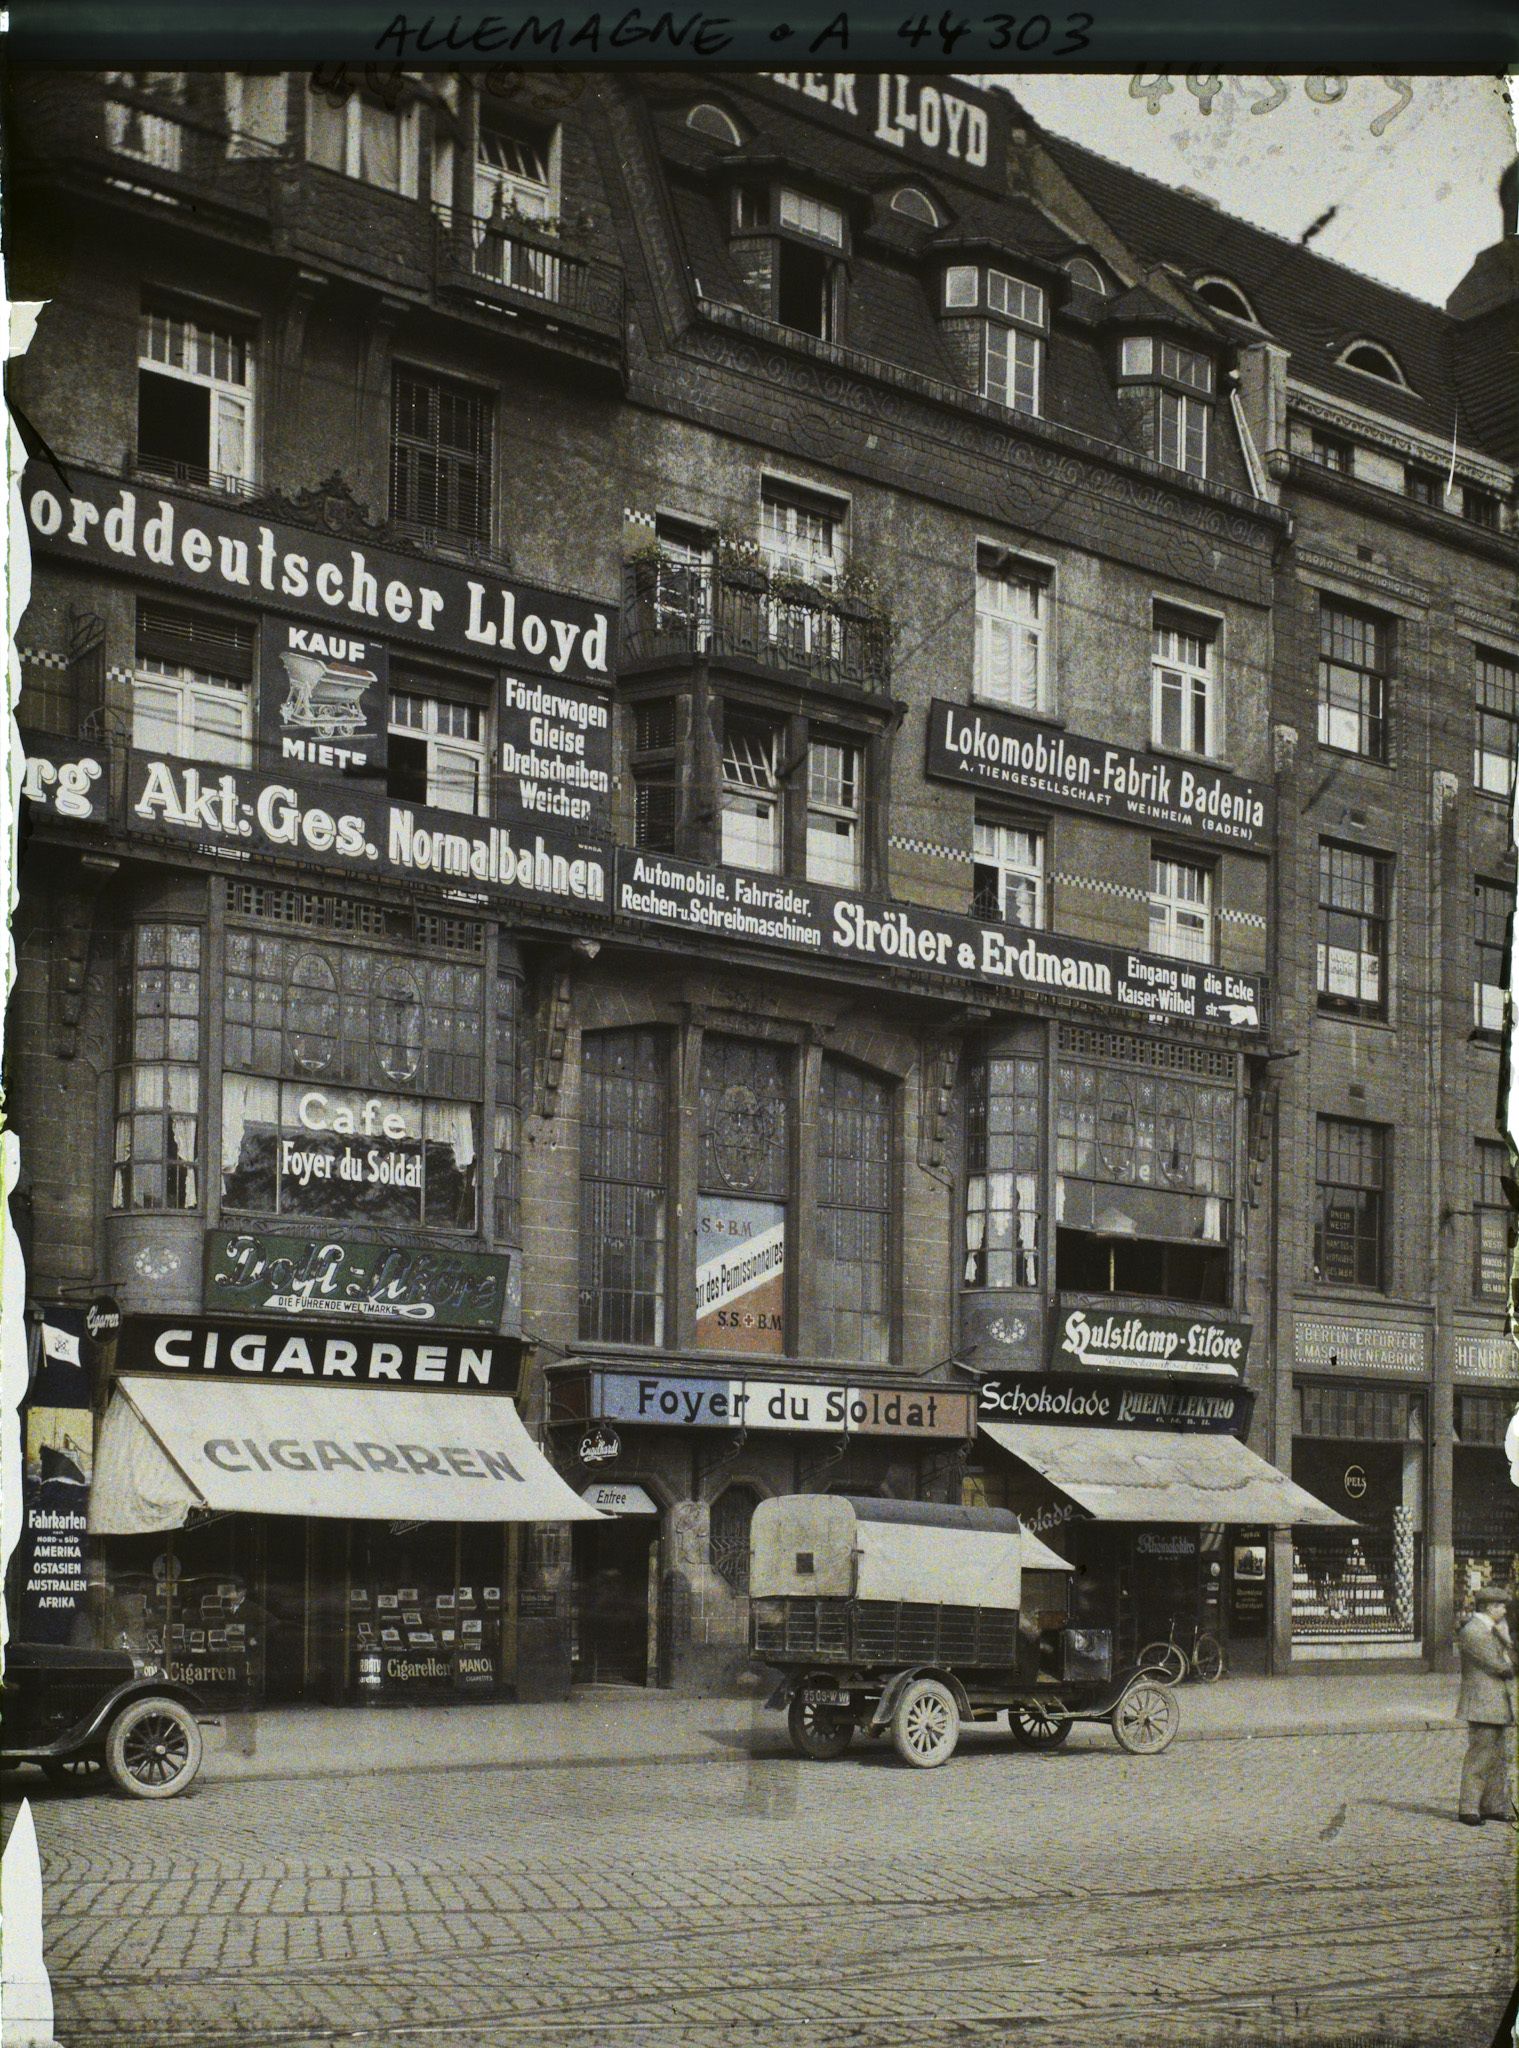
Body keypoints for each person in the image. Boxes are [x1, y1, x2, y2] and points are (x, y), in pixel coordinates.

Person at [1456, 1582, 1515, 1825]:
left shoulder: (1493, 1630)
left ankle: (1493, 1805)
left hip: (1495, 1702)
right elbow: (1501, 1666)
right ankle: (1469, 1808)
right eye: (1500, 1606)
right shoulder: (1475, 1632)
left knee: (1497, 1756)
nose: (1504, 1610)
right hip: (1482, 1702)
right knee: (1480, 1756)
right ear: (1489, 1607)